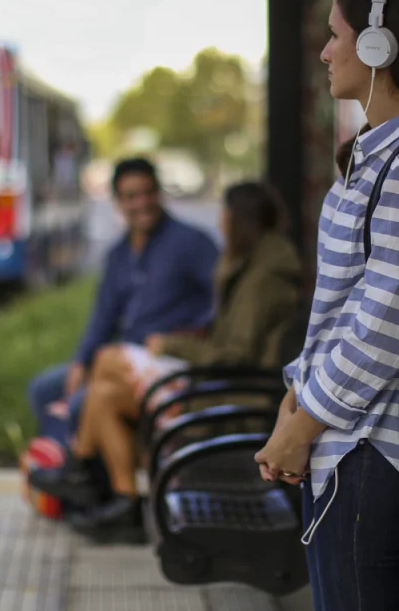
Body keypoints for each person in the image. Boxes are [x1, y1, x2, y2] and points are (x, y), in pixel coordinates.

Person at [255, 0, 399, 611]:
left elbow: (384, 319)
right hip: (349, 445)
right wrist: (295, 394)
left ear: (378, 46)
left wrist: (302, 422)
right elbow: (340, 308)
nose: (324, 52)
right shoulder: (372, 158)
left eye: (335, 35)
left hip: (370, 455)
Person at [30, 181, 301, 543]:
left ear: (241, 219)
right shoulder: (253, 263)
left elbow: (236, 353)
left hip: (229, 395)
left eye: (225, 213)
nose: (220, 221)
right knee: (102, 391)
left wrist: (173, 344)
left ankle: (79, 468)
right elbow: (103, 317)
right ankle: (125, 504)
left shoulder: (263, 275)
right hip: (215, 379)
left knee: (108, 362)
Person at [28, 157, 219, 447]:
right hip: (121, 359)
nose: (141, 202)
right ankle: (70, 472)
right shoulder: (118, 254)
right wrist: (81, 362)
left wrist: (198, 333)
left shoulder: (191, 242)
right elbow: (103, 318)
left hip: (165, 362)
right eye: (131, 196)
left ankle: (85, 475)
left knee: (81, 402)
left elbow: (226, 298)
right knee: (44, 389)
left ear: (159, 193)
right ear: (118, 202)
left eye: (148, 192)